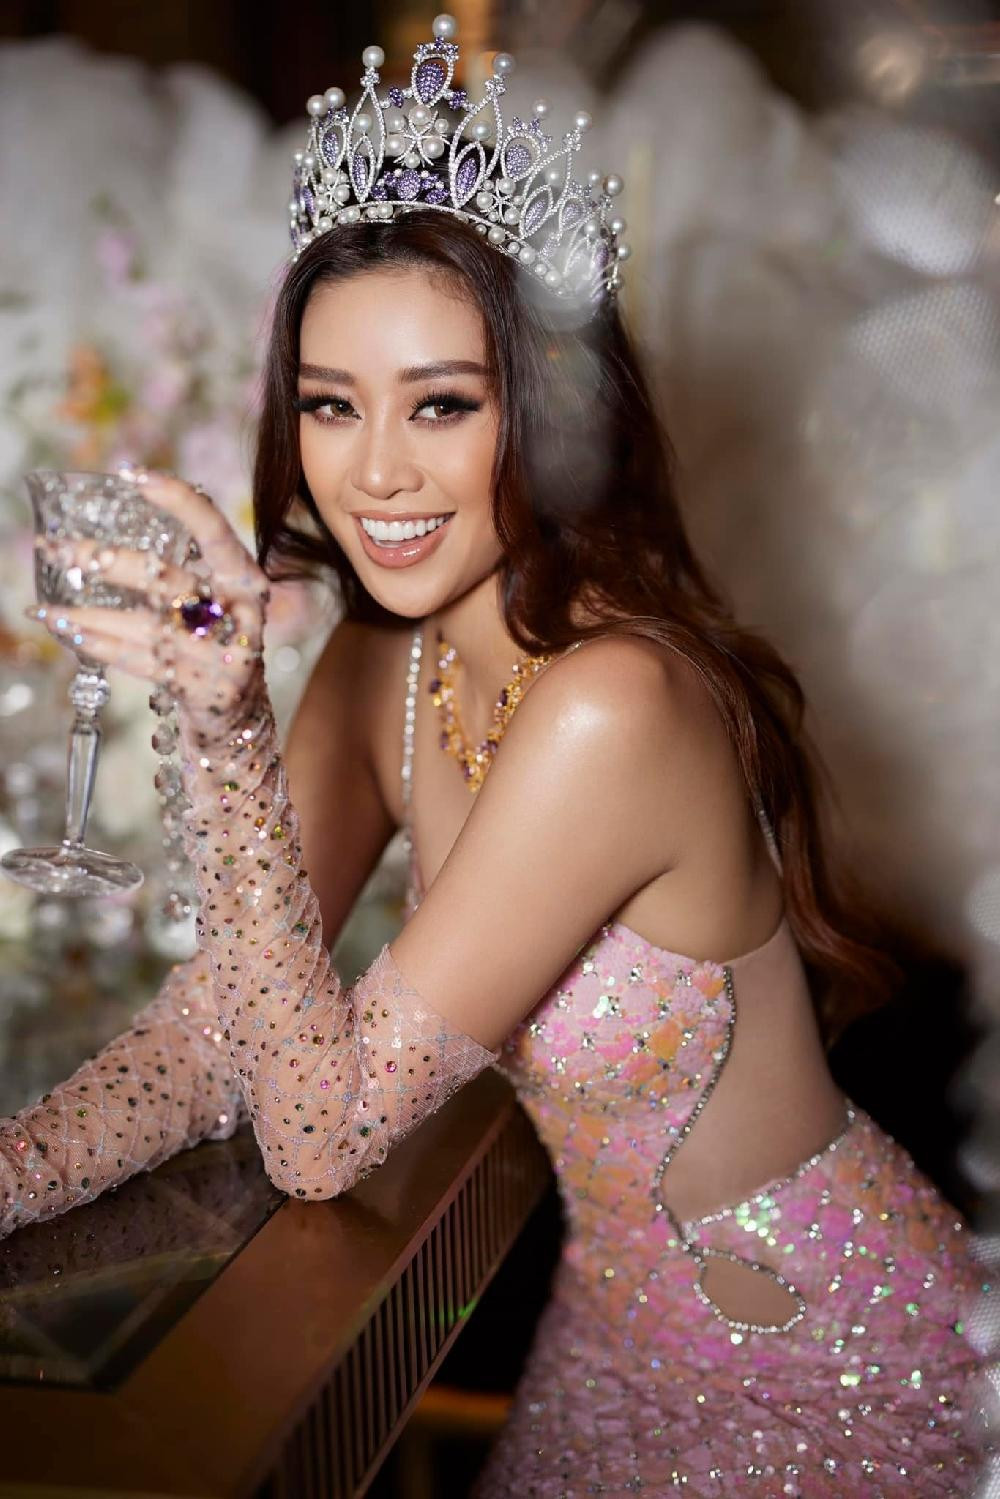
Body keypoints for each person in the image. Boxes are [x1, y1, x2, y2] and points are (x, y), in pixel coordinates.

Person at [0, 15, 988, 1494]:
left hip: (819, 1365)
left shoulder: (616, 705)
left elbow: (322, 1133)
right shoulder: (376, 663)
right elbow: (219, 1031)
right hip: (612, 1335)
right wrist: (13, 1175)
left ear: (547, 404)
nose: (375, 472)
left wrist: (223, 729)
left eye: (442, 404)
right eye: (331, 406)